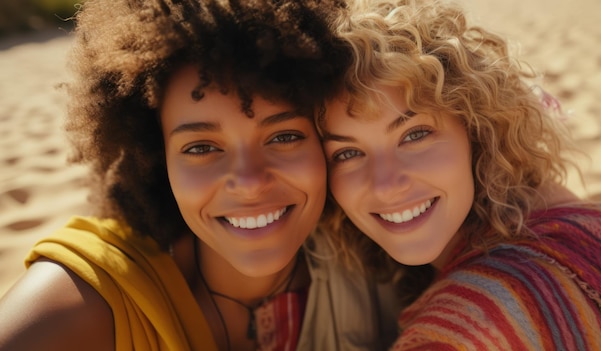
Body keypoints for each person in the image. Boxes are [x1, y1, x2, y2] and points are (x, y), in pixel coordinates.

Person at [0, 0, 400, 350]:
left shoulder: (382, 252)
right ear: (157, 159)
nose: (248, 180)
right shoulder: (87, 305)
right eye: (201, 148)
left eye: (284, 136)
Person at [317, 0, 601, 349]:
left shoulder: (457, 334)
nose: (387, 185)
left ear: (477, 132)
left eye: (415, 134)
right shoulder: (584, 223)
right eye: (347, 153)